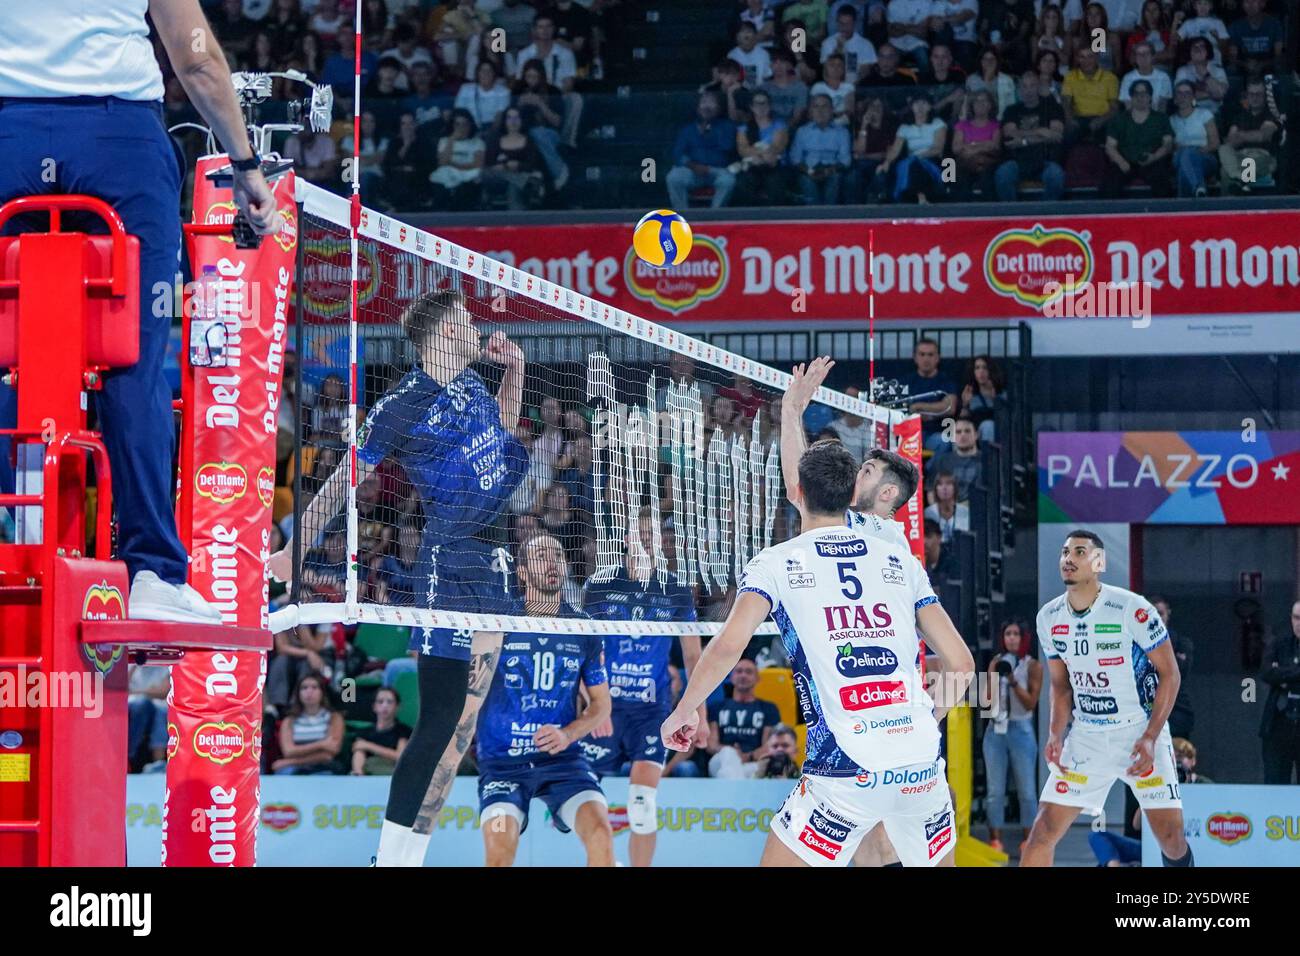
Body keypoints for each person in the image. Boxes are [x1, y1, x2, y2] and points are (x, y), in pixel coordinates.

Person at [0, 0, 277, 623]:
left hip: (7, 140)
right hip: (116, 142)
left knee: (5, 356)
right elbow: (197, 59)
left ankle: (10, 546)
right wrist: (246, 165)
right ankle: (151, 570)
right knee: (136, 359)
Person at [269, 289, 527, 866]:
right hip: (447, 561)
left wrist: (517, 371)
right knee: (439, 717)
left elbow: (500, 440)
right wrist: (295, 548)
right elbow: (342, 480)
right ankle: (391, 858)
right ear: (442, 335)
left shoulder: (474, 382)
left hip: (494, 559)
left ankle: (415, 849)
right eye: (465, 321)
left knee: (464, 723)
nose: (475, 328)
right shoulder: (401, 403)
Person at [662, 440, 975, 867]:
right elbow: (961, 665)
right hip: (920, 761)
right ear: (851, 497)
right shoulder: (900, 560)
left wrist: (686, 708)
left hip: (846, 770)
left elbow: (729, 646)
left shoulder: (775, 563)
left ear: (799, 494)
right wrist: (923, 721)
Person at [1021, 529, 1192, 868]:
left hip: (1139, 734)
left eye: (1080, 552)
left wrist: (1150, 736)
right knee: (1042, 832)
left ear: (1098, 562)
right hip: (1087, 737)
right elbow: (1061, 686)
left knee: (1171, 840)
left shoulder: (1132, 609)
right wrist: (1056, 733)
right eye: (1065, 552)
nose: (1069, 558)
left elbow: (1170, 675)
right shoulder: (1049, 618)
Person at [475, 534, 614, 867]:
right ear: (521, 571)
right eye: (541, 555)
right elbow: (469, 692)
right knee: (498, 853)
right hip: (502, 765)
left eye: (558, 554)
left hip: (563, 762)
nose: (552, 561)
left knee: (602, 835)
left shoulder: (584, 628)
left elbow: (601, 705)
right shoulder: (498, 623)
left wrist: (568, 734)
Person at [582, 509, 705, 866]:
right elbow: (585, 650)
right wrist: (593, 706)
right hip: (605, 705)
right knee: (582, 802)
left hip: (651, 713)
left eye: (653, 532)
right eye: (641, 531)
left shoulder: (677, 590)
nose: (648, 538)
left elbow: (694, 659)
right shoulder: (601, 584)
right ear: (625, 538)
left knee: (641, 804)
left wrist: (700, 715)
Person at [983, 619, 1041, 854]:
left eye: (1016, 633)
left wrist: (1013, 681)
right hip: (995, 729)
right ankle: (994, 840)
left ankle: (1029, 840)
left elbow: (1030, 705)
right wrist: (996, 678)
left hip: (1021, 728)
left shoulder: (1033, 666)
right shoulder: (996, 662)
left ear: (1023, 637)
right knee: (994, 790)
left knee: (1026, 790)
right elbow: (986, 702)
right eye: (1008, 633)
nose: (1012, 638)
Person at [995, 70, 1066, 201]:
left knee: (1056, 176)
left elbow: (1056, 135)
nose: (1028, 90)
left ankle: (1044, 216)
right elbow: (1010, 134)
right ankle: (1013, 217)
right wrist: (1041, 131)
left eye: (1032, 85)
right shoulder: (1011, 110)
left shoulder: (1053, 107)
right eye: (1024, 86)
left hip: (1046, 160)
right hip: (1017, 161)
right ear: (1019, 89)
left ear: (1038, 87)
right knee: (1002, 175)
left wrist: (1023, 141)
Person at [705, 658, 782, 778]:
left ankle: (731, 794)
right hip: (720, 760)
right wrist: (733, 753)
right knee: (728, 754)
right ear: (731, 677)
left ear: (758, 678)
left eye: (749, 672)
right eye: (739, 671)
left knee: (747, 771)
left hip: (752, 764)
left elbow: (768, 745)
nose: (743, 675)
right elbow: (711, 744)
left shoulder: (768, 708)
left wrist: (748, 756)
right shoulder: (717, 707)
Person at [1102, 79, 1174, 198]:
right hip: (1124, 162)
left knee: (1163, 185)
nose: (1140, 97)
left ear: (1150, 97)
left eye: (1144, 94)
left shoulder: (1161, 118)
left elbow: (1168, 144)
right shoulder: (1119, 119)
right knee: (1109, 186)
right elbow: (1110, 146)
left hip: (1152, 161)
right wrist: (1121, 162)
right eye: (1136, 94)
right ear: (1131, 97)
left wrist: (1154, 157)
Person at [666, 91, 738, 209]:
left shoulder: (727, 126)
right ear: (698, 107)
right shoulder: (688, 129)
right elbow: (678, 153)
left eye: (711, 103)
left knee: (728, 180)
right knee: (673, 177)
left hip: (717, 170)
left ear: (719, 108)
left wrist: (710, 132)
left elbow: (727, 147)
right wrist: (692, 165)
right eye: (704, 102)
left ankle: (714, 214)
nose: (707, 106)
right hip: (692, 170)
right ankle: (683, 215)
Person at [878, 94, 948, 203]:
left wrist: (918, 156)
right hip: (910, 162)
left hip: (932, 159)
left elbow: (938, 148)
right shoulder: (904, 128)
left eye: (923, 103)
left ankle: (920, 197)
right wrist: (887, 162)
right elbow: (895, 149)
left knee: (916, 165)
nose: (920, 107)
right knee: (909, 165)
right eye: (916, 104)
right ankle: (917, 197)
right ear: (912, 107)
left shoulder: (937, 123)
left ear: (929, 107)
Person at [1259, 600, 1300, 784]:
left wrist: (1283, 674)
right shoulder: (1279, 643)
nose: (1299, 623)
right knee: (1275, 781)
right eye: (1297, 618)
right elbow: (1267, 672)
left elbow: (1276, 674)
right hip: (1279, 722)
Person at [273, 673, 345, 774]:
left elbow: (329, 753)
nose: (309, 692)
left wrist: (290, 761)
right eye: (304, 688)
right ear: (298, 693)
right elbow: (288, 751)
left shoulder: (334, 718)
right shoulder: (289, 721)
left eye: (314, 687)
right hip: (292, 768)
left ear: (322, 693)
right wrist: (321, 745)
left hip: (323, 768)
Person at [1218, 78, 1280, 194]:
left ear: (1265, 96)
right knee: (1223, 149)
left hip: (1263, 157)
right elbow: (1231, 141)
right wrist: (1249, 135)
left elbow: (1263, 136)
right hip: (1240, 156)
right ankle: (1237, 184)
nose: (1255, 98)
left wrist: (1240, 135)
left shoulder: (1272, 114)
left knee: (1247, 163)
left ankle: (1239, 182)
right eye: (1251, 94)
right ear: (1247, 95)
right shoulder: (1240, 116)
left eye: (1258, 94)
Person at [789, 94, 852, 205]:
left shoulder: (842, 132)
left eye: (824, 106)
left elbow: (845, 160)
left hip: (832, 170)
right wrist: (809, 171)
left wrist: (828, 171)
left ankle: (829, 217)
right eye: (816, 107)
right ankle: (814, 218)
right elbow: (795, 158)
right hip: (808, 170)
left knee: (835, 180)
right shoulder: (802, 131)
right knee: (806, 182)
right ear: (810, 111)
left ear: (832, 110)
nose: (820, 111)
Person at [900, 338, 958, 451]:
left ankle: (930, 467)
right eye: (922, 354)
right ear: (915, 357)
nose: (926, 358)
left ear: (937, 358)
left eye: (930, 354)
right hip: (909, 434)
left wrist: (918, 407)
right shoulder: (905, 382)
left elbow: (950, 407)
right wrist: (935, 410)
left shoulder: (946, 381)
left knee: (946, 442)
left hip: (936, 433)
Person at [1170, 81, 1219, 198]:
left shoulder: (1204, 114)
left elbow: (1215, 143)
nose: (1183, 97)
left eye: (1187, 93)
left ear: (1193, 97)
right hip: (1179, 156)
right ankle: (1199, 189)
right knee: (1185, 155)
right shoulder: (1171, 120)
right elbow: (1171, 146)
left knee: (1184, 167)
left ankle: (1184, 207)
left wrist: (1196, 151)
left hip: (1204, 156)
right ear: (1175, 98)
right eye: (1179, 93)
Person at [1062, 46, 1118, 145]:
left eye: (1090, 56)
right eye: (1082, 57)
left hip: (1103, 119)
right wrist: (1069, 119)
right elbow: (1066, 102)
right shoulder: (1070, 76)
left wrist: (1101, 120)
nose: (1086, 61)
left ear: (1096, 58)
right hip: (1079, 119)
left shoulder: (1110, 78)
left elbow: (1114, 107)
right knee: (1068, 133)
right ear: (1077, 59)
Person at [350, 687, 412, 776]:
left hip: (392, 773)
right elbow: (358, 750)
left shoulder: (404, 731)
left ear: (397, 707)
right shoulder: (365, 732)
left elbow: (400, 756)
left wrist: (369, 746)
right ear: (374, 707)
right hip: (367, 775)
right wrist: (358, 773)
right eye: (380, 701)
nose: (385, 706)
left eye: (390, 702)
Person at [928, 415, 983, 500]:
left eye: (967, 431)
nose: (963, 435)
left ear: (976, 435)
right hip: (950, 510)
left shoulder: (987, 460)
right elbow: (931, 491)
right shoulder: (942, 461)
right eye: (958, 432)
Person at [959, 354, 1006, 442]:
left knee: (988, 426)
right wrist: (965, 404)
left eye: (985, 368)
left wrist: (995, 399)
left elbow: (1007, 419)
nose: (981, 372)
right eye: (977, 368)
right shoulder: (970, 393)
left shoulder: (1002, 394)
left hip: (999, 434)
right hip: (975, 434)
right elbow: (962, 421)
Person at [925, 471, 969, 542]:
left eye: (948, 483)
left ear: (955, 487)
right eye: (940, 484)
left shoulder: (966, 512)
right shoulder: (928, 513)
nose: (944, 488)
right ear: (936, 489)